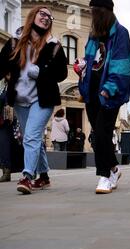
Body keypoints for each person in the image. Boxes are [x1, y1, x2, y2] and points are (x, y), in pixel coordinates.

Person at [0, 6, 68, 194]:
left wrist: (42, 73)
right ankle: (44, 176)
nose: (46, 18)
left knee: (30, 136)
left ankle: (27, 176)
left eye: (49, 17)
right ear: (33, 16)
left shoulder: (53, 45)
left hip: (43, 99)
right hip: (20, 100)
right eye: (42, 14)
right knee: (32, 139)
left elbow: (62, 73)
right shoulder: (15, 42)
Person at [77, 0, 130, 194]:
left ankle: (104, 176)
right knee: (99, 136)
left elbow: (123, 64)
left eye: (96, 12)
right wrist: (81, 68)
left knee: (102, 133)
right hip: (91, 92)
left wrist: (108, 89)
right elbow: (89, 60)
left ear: (105, 12)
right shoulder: (94, 36)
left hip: (109, 94)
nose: (93, 16)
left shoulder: (120, 34)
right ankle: (114, 169)